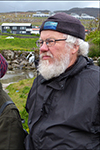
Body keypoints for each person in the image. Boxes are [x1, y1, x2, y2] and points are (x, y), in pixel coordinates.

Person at [25, 12, 100, 149]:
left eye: (50, 41)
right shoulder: (40, 80)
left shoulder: (96, 84)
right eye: (41, 42)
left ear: (74, 46)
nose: (42, 48)